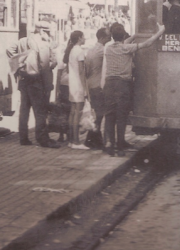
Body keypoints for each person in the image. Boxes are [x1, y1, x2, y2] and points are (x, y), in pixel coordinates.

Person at [103, 21, 165, 156]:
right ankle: (120, 147)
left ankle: (109, 146)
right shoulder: (127, 48)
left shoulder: (108, 48)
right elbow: (147, 44)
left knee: (109, 116)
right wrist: (160, 32)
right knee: (121, 117)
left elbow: (124, 42)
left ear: (112, 36)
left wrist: (135, 35)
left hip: (109, 84)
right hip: (122, 84)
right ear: (124, 35)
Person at [6, 21, 59, 148]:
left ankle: (23, 138)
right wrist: (48, 85)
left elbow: (9, 50)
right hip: (37, 81)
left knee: (24, 110)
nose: (49, 35)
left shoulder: (23, 40)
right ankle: (43, 139)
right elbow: (45, 66)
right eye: (47, 32)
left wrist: (18, 65)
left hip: (24, 80)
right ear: (41, 31)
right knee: (40, 111)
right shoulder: (43, 44)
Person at [84, 27, 111, 149]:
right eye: (108, 36)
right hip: (99, 85)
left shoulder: (90, 50)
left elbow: (87, 70)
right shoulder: (103, 50)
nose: (110, 38)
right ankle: (92, 138)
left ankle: (94, 137)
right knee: (100, 114)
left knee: (97, 113)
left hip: (90, 83)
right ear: (102, 38)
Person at [63, 31, 89, 150]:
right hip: (78, 85)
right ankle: (76, 141)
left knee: (73, 112)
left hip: (72, 84)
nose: (85, 38)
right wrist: (85, 89)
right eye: (83, 36)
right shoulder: (80, 51)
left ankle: (71, 140)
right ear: (79, 38)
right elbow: (81, 72)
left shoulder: (72, 50)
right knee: (77, 113)